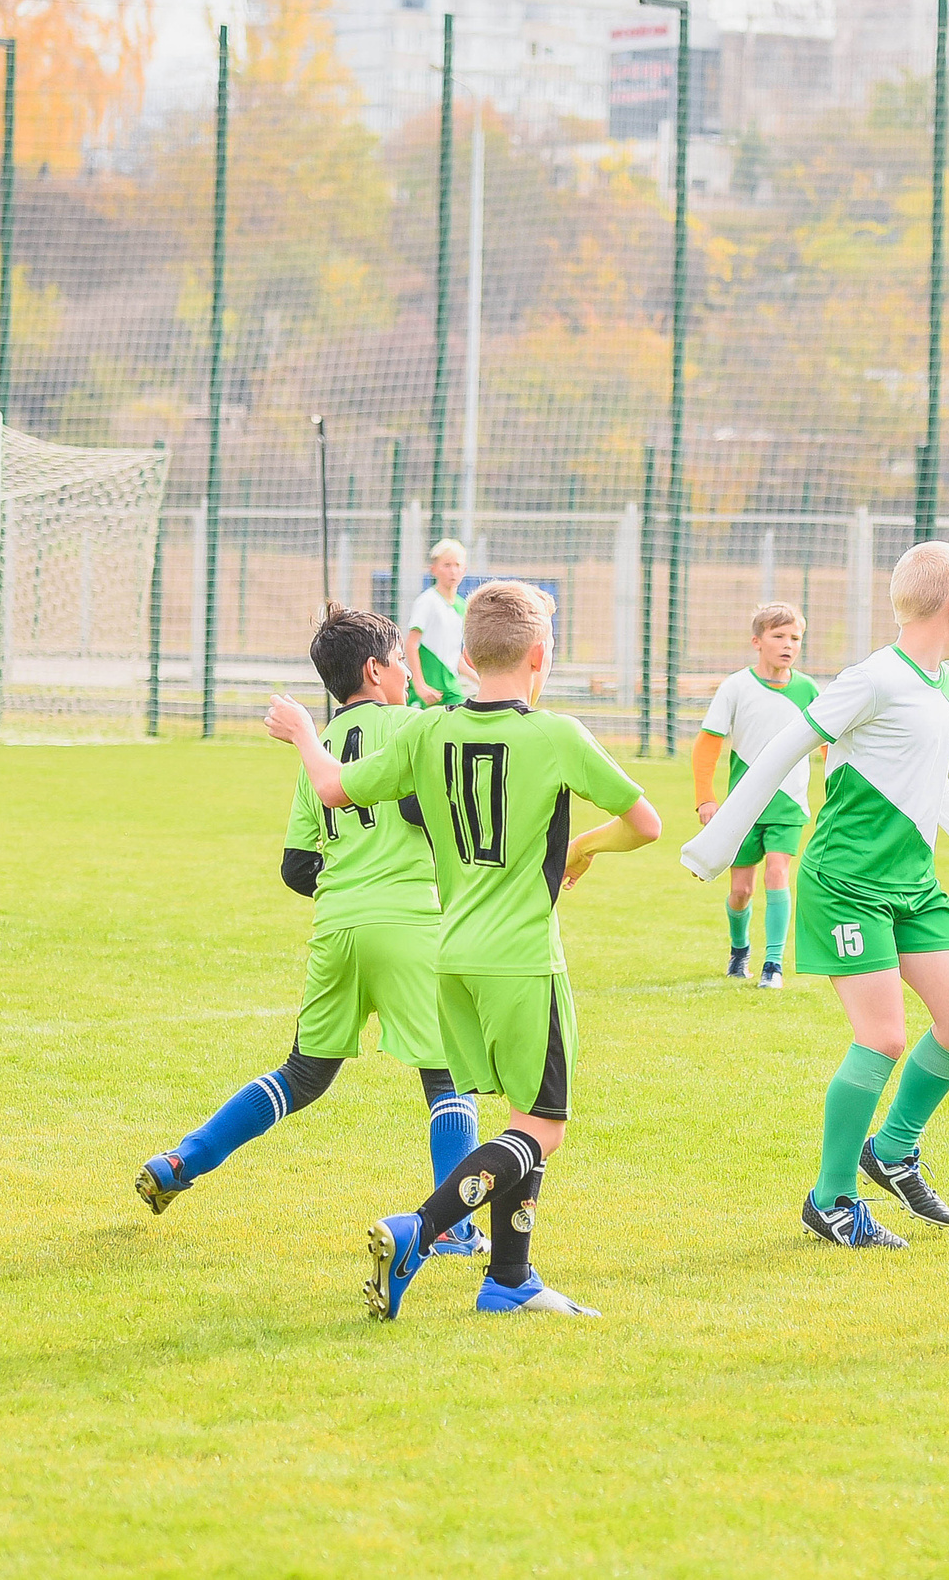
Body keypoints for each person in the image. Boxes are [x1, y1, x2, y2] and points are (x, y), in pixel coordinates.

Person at [264, 580, 662, 1319]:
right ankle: (420, 1229)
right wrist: (587, 845)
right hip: (523, 958)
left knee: (518, 1118)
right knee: (542, 1126)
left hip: (451, 955)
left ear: (464, 657)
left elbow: (331, 788)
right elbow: (647, 822)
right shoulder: (558, 735)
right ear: (541, 655)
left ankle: (510, 1279)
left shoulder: (424, 730)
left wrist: (303, 734)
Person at [682, 542, 949, 1250]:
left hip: (913, 884)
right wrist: (714, 848)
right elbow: (781, 750)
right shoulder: (871, 679)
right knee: (883, 1037)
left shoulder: (944, 685)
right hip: (846, 884)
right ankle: (832, 1198)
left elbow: (931, 783)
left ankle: (893, 1151)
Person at [137, 607, 484, 1258]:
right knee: (450, 1077)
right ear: (375, 669)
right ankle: (457, 1229)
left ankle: (179, 1162)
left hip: (338, 928)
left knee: (301, 1075)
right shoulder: (416, 725)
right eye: (402, 662)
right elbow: (422, 807)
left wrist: (353, 876)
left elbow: (298, 868)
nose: (409, 673)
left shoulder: (316, 753)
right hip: (411, 923)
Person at [694, 602, 821, 988]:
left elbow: (830, 746)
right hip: (743, 807)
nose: (788, 645)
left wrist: (838, 790)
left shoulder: (809, 690)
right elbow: (707, 745)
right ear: (757, 641)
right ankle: (739, 951)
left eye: (795, 638)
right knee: (740, 891)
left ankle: (773, 964)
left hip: (789, 804)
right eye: (778, 636)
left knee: (779, 874)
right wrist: (706, 798)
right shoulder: (736, 687)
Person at [404, 539, 473, 707]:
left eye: (457, 565)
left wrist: (479, 679)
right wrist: (419, 685)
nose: (453, 571)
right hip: (427, 689)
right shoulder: (427, 601)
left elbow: (453, 654)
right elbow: (412, 644)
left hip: (450, 689)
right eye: (447, 565)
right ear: (433, 569)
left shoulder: (462, 606)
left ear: (464, 570)